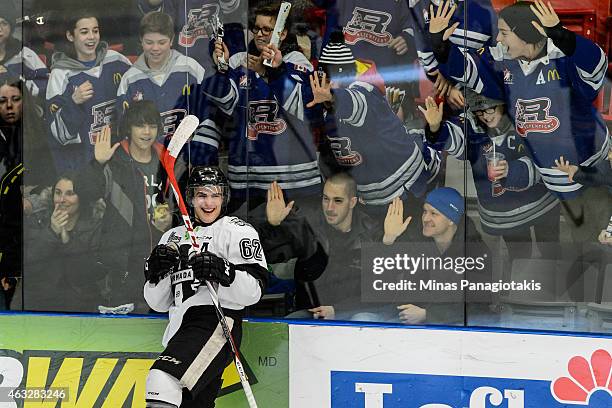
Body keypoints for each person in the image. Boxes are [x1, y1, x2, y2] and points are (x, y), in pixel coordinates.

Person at [429, 0, 611, 200]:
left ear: (527, 33)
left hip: (591, 173)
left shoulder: (562, 55)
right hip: (549, 179)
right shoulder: (503, 59)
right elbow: (469, 70)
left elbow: (595, 69)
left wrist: (562, 36)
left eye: (504, 33)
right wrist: (441, 46)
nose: (498, 38)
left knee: (594, 225)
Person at [143, 166, 268, 408]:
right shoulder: (172, 237)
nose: (208, 202)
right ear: (190, 198)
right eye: (202, 195)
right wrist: (157, 274)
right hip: (180, 329)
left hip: (216, 322)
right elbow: (157, 303)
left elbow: (254, 292)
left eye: (215, 195)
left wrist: (224, 270)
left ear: (224, 197)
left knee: (162, 380)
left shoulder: (237, 231)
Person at [204, 1, 324, 209]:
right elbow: (223, 108)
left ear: (282, 33)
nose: (259, 34)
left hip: (296, 180)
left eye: (267, 29)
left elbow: (305, 108)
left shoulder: (297, 61)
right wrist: (222, 66)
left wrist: (272, 72)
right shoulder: (238, 61)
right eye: (256, 28)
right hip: (248, 182)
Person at [419, 90, 560, 260]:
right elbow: (456, 139)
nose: (485, 116)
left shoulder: (526, 114)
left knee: (551, 251)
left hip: (543, 202)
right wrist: (435, 127)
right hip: (507, 213)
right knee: (520, 254)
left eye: (490, 108)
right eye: (478, 111)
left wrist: (511, 171)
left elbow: (544, 159)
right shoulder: (472, 126)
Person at [308, 33, 438, 209]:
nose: (330, 86)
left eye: (335, 80)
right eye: (326, 81)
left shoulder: (365, 91)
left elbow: (355, 103)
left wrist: (332, 98)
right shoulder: (324, 96)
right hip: (372, 192)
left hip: (406, 184)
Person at [83, 101, 173, 313]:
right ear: (129, 128)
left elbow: (186, 206)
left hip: (162, 261)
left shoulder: (169, 161)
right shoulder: (115, 160)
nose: (147, 132)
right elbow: (86, 192)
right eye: (140, 126)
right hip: (122, 265)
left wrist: (171, 221)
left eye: (152, 126)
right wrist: (97, 163)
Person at [263, 173, 381, 320]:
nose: (329, 207)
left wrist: (337, 310)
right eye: (326, 199)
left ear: (352, 202)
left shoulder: (370, 232)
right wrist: (274, 225)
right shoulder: (309, 225)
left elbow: (380, 290)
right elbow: (271, 260)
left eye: (338, 201)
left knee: (362, 319)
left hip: (351, 313)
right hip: (311, 314)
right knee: (286, 325)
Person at [116, 11, 214, 165]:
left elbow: (208, 116)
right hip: (150, 165)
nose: (155, 48)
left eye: (161, 42)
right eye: (149, 42)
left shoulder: (191, 69)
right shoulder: (130, 79)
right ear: (141, 40)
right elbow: (124, 130)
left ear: (172, 40)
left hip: (188, 161)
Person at [384, 187, 492, 325]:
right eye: (425, 211)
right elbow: (384, 281)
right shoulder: (417, 242)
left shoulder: (476, 252)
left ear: (451, 220)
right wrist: (389, 240)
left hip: (454, 325)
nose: (425, 218)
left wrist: (428, 315)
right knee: (365, 318)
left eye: (434, 213)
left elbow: (478, 305)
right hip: (410, 320)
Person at [46, 9, 131, 172]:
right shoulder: (61, 74)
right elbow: (58, 136)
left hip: (121, 158)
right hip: (85, 165)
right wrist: (73, 102)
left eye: (95, 31)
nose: (92, 37)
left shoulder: (116, 60)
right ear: (71, 36)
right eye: (84, 32)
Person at [24, 173, 105, 312]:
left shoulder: (95, 225)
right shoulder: (39, 219)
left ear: (82, 198)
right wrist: (51, 232)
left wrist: (66, 239)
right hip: (39, 303)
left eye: (70, 193)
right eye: (58, 193)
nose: (62, 200)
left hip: (82, 305)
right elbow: (28, 263)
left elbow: (89, 274)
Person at [0, 5, 49, 97]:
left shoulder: (24, 54)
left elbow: (45, 83)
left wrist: (13, 80)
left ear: (11, 28)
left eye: (4, 23)